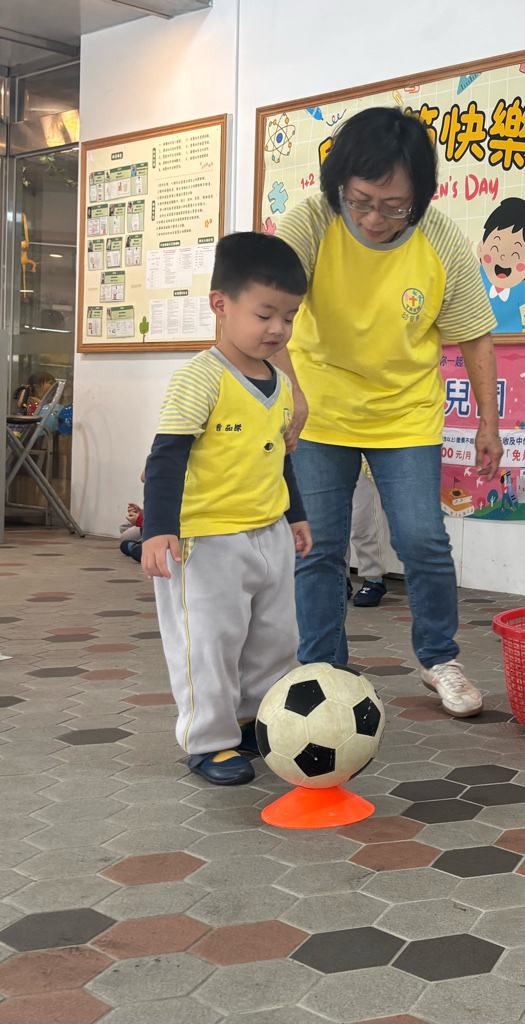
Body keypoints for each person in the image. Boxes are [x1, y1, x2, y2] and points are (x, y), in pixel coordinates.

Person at [274, 105, 502, 718]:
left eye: (393, 206)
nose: (374, 219)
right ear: (339, 186)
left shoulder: (441, 238)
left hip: (405, 412)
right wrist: (289, 391)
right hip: (318, 408)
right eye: (361, 201)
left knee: (423, 539)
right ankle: (323, 668)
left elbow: (474, 334)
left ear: (419, 198)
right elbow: (266, 302)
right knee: (319, 544)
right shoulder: (313, 221)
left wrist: (487, 422)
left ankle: (439, 659)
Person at [141, 232, 311, 784]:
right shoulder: (200, 377)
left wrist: (295, 515)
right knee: (208, 644)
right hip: (206, 541)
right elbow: (166, 457)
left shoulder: (280, 383)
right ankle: (208, 741)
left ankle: (253, 721)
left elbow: (279, 456)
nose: (278, 329)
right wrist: (157, 529)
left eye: (289, 317)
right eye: (265, 314)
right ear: (220, 304)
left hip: (268, 533)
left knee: (274, 638)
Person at [477, 197, 525, 334]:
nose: (503, 259)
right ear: (481, 248)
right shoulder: (476, 277)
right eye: (495, 249)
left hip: (513, 338)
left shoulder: (520, 288)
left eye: (516, 255)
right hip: (478, 336)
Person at [347, 462, 390, 607]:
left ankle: (374, 578)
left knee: (364, 518)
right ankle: (338, 579)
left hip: (365, 452)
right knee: (330, 519)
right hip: (327, 451)